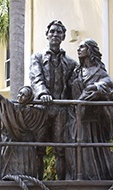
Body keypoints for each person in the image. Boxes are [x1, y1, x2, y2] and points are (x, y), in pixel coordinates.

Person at [29, 20, 78, 180]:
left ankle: (62, 185)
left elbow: (75, 85)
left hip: (61, 110)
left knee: (61, 149)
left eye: (58, 32)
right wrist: (42, 93)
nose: (55, 34)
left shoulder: (71, 63)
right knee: (38, 148)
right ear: (47, 35)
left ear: (63, 36)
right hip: (42, 109)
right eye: (52, 32)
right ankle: (37, 183)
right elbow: (36, 78)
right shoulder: (37, 57)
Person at [69, 38, 113, 180]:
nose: (78, 50)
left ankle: (98, 178)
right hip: (78, 118)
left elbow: (112, 87)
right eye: (78, 47)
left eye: (82, 47)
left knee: (95, 149)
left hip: (94, 121)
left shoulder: (99, 71)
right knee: (79, 147)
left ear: (90, 50)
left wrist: (98, 87)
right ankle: (78, 178)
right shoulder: (76, 71)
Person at [0, 84, 47, 181]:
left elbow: (43, 112)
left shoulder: (33, 113)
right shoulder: (12, 107)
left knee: (26, 167)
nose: (20, 96)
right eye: (20, 93)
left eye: (24, 95)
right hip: (10, 143)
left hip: (26, 145)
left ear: (28, 98)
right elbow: (2, 99)